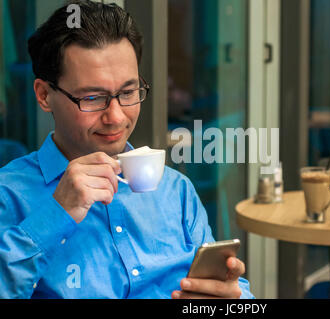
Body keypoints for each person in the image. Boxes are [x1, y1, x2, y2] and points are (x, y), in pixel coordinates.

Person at [0, 0, 253, 299]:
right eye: (93, 97)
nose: (117, 117)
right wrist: (57, 213)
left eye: (128, 92)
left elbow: (237, 295)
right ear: (44, 95)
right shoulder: (9, 194)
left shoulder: (176, 191)